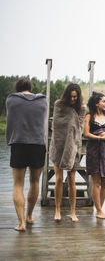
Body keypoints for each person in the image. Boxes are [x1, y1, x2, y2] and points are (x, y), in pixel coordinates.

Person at [5, 78, 47, 232]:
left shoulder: (11, 100)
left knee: (18, 185)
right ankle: (29, 215)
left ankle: (21, 223)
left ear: (17, 88)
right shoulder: (43, 101)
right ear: (31, 87)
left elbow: (11, 121)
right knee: (35, 182)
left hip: (18, 144)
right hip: (37, 145)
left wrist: (9, 140)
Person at [49, 83, 85, 222]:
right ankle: (57, 210)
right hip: (59, 144)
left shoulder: (81, 108)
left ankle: (73, 212)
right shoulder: (59, 105)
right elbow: (56, 124)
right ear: (66, 95)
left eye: (75, 97)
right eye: (71, 97)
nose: (73, 99)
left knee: (71, 180)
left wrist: (72, 129)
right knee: (58, 179)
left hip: (74, 147)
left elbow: (79, 126)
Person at [83, 92, 105, 219]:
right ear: (97, 103)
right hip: (94, 150)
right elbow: (86, 134)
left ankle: (100, 209)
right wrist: (99, 137)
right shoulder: (89, 116)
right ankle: (98, 210)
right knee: (96, 181)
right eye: (103, 101)